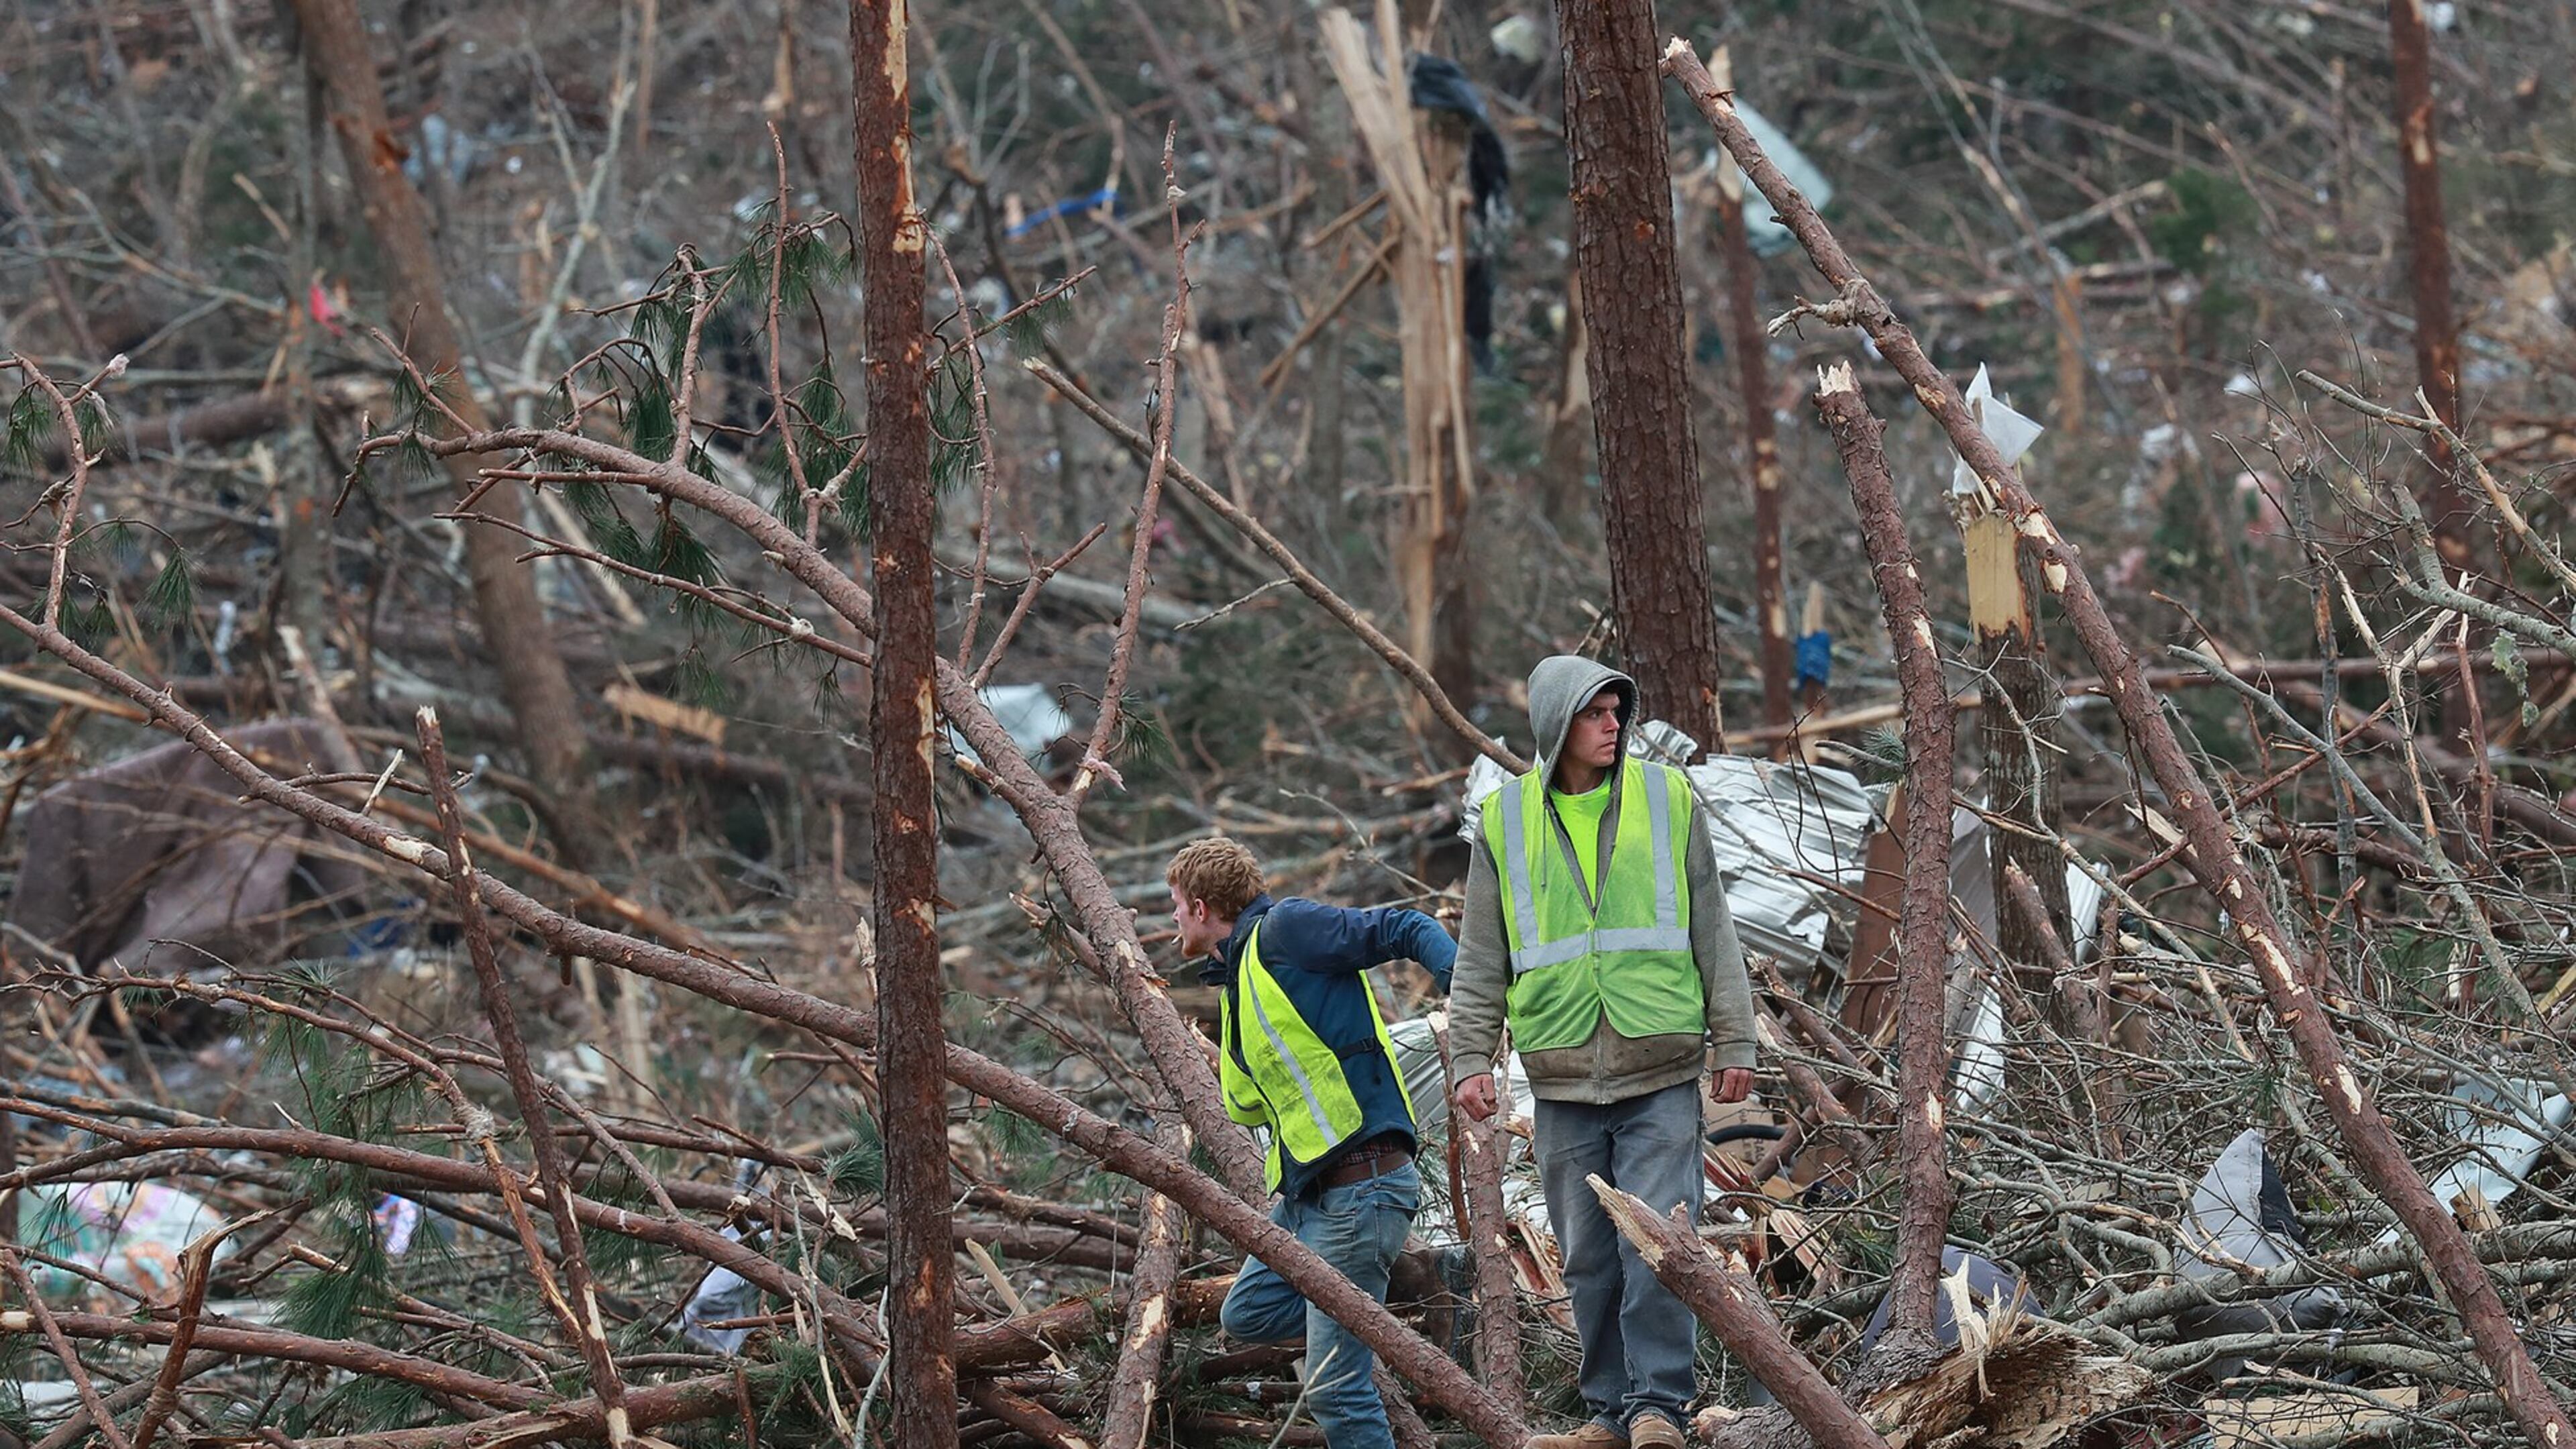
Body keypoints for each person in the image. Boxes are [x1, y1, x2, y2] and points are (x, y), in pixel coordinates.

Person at [1448, 655, 1758, 1449]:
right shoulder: (1504, 821)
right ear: (1558, 724)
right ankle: (1609, 1414)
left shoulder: (1669, 797)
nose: (1615, 723)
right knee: (1587, 1256)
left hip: (1659, 1068)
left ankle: (1660, 1407)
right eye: (1596, 712)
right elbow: (1481, 956)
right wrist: (1472, 1059)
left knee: (1657, 1244)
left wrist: (1737, 1038)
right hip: (1559, 1077)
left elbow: (1713, 930)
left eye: (1619, 709)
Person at [1170, 837, 1456, 1449]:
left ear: (1199, 907)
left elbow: (1402, 925)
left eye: (1174, 907)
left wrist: (1461, 980)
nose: (1171, 921)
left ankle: (1383, 1293)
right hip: (1311, 1198)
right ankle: (1406, 1286)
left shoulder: (1288, 930)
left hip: (1361, 1183)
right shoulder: (1243, 972)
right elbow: (1247, 1100)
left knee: (1334, 1389)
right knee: (1245, 1314)